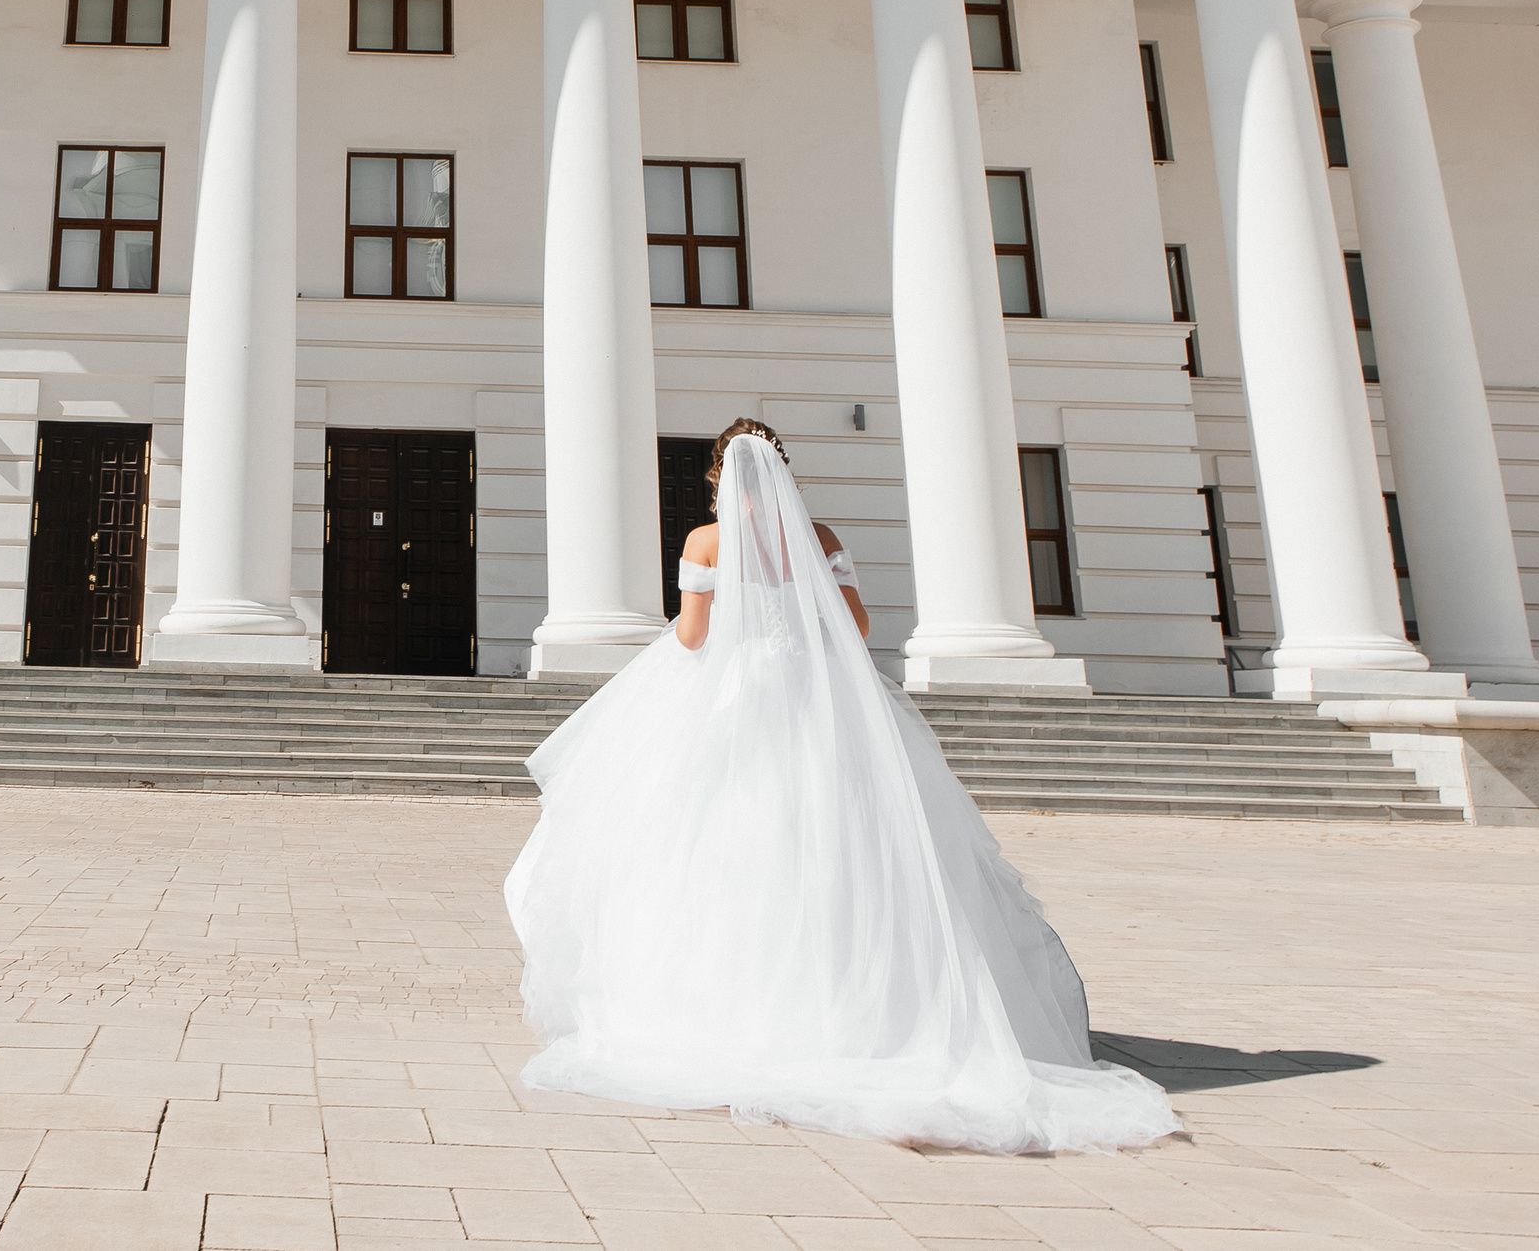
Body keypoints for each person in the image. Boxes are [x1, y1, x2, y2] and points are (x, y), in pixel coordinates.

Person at [506, 421, 1180, 1154]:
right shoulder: (819, 537)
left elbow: (693, 638)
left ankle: (736, 1015)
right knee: (840, 842)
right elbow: (853, 626)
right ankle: (870, 1015)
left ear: (718, 477)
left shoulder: (707, 542)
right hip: (816, 701)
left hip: (737, 701)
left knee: (727, 844)